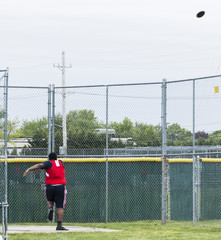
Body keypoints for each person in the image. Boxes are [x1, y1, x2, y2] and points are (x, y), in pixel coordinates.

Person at [23, 152, 68, 231]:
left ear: (49, 158)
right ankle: (59, 226)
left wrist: (29, 169)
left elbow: (39, 165)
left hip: (50, 186)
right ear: (56, 158)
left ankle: (50, 208)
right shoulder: (61, 162)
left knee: (49, 199)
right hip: (60, 186)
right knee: (60, 207)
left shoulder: (48, 163)